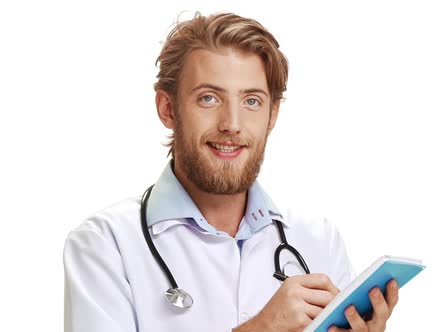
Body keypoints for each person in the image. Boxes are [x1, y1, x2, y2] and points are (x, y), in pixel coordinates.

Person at [63, 12, 399, 332]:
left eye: (251, 101)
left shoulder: (318, 240)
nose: (232, 125)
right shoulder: (105, 244)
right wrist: (261, 327)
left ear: (272, 115)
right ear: (168, 109)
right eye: (209, 98)